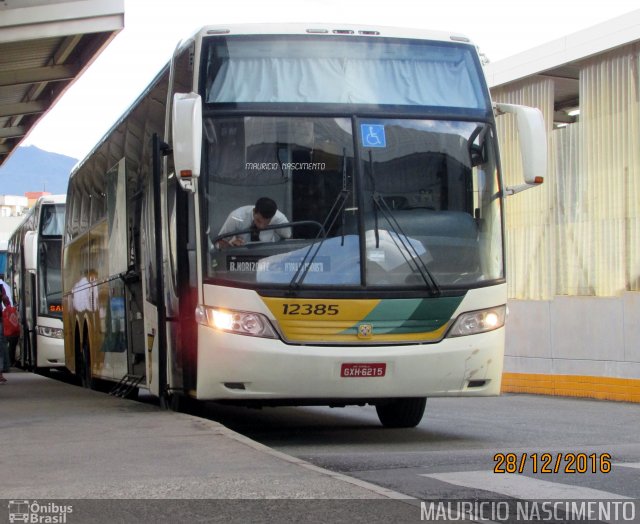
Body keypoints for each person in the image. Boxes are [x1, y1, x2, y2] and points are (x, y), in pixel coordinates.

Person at [216, 197, 291, 248]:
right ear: (254, 211)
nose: (261, 226)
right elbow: (220, 241)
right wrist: (232, 247)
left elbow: (287, 238)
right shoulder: (236, 217)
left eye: (266, 223)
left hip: (267, 257)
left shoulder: (279, 218)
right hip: (242, 258)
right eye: (258, 220)